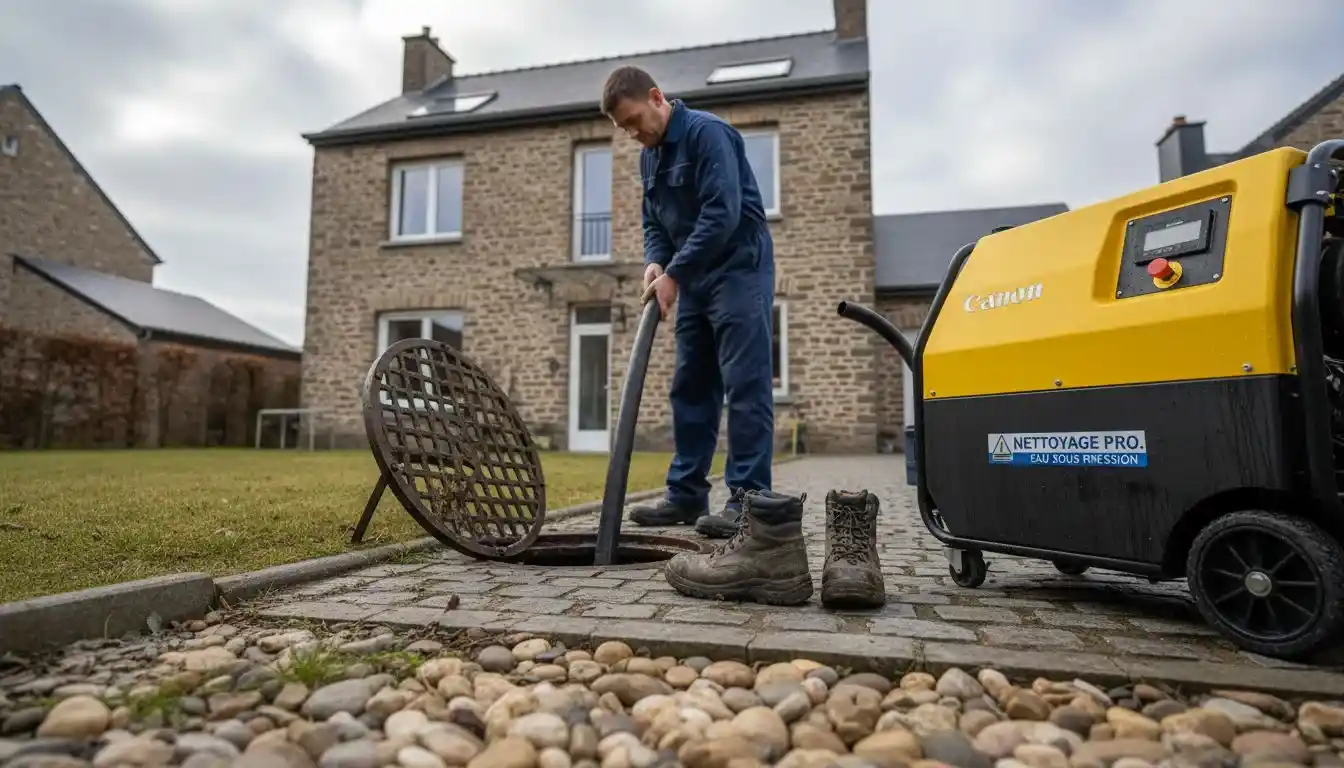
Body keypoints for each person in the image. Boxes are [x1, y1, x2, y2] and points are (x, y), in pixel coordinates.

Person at [599, 65, 777, 540]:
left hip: (739, 268)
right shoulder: (648, 158)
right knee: (691, 386)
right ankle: (686, 494)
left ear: (657, 97)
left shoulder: (708, 134)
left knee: (745, 383)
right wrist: (656, 263)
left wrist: (675, 272)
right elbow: (654, 222)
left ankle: (749, 499)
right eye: (624, 129)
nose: (633, 134)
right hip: (693, 276)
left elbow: (723, 214)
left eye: (635, 120)